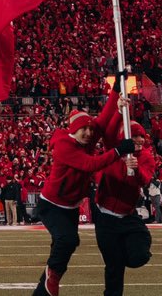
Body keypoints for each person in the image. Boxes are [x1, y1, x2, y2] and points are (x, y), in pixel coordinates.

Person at [32, 89, 139, 296]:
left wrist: (116, 91)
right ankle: (50, 279)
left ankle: (43, 290)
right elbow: (91, 164)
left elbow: (103, 118)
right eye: (84, 129)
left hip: (70, 204)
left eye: (90, 129)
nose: (89, 133)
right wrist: (118, 151)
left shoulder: (86, 138)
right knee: (68, 240)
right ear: (74, 129)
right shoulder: (64, 146)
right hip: (52, 204)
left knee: (65, 245)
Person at [94, 87, 157, 296]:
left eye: (142, 137)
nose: (139, 140)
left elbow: (145, 180)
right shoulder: (114, 148)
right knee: (113, 268)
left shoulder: (146, 157)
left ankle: (130, 252)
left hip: (128, 215)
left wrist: (136, 169)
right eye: (135, 136)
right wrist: (119, 111)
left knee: (138, 256)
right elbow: (109, 132)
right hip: (105, 215)